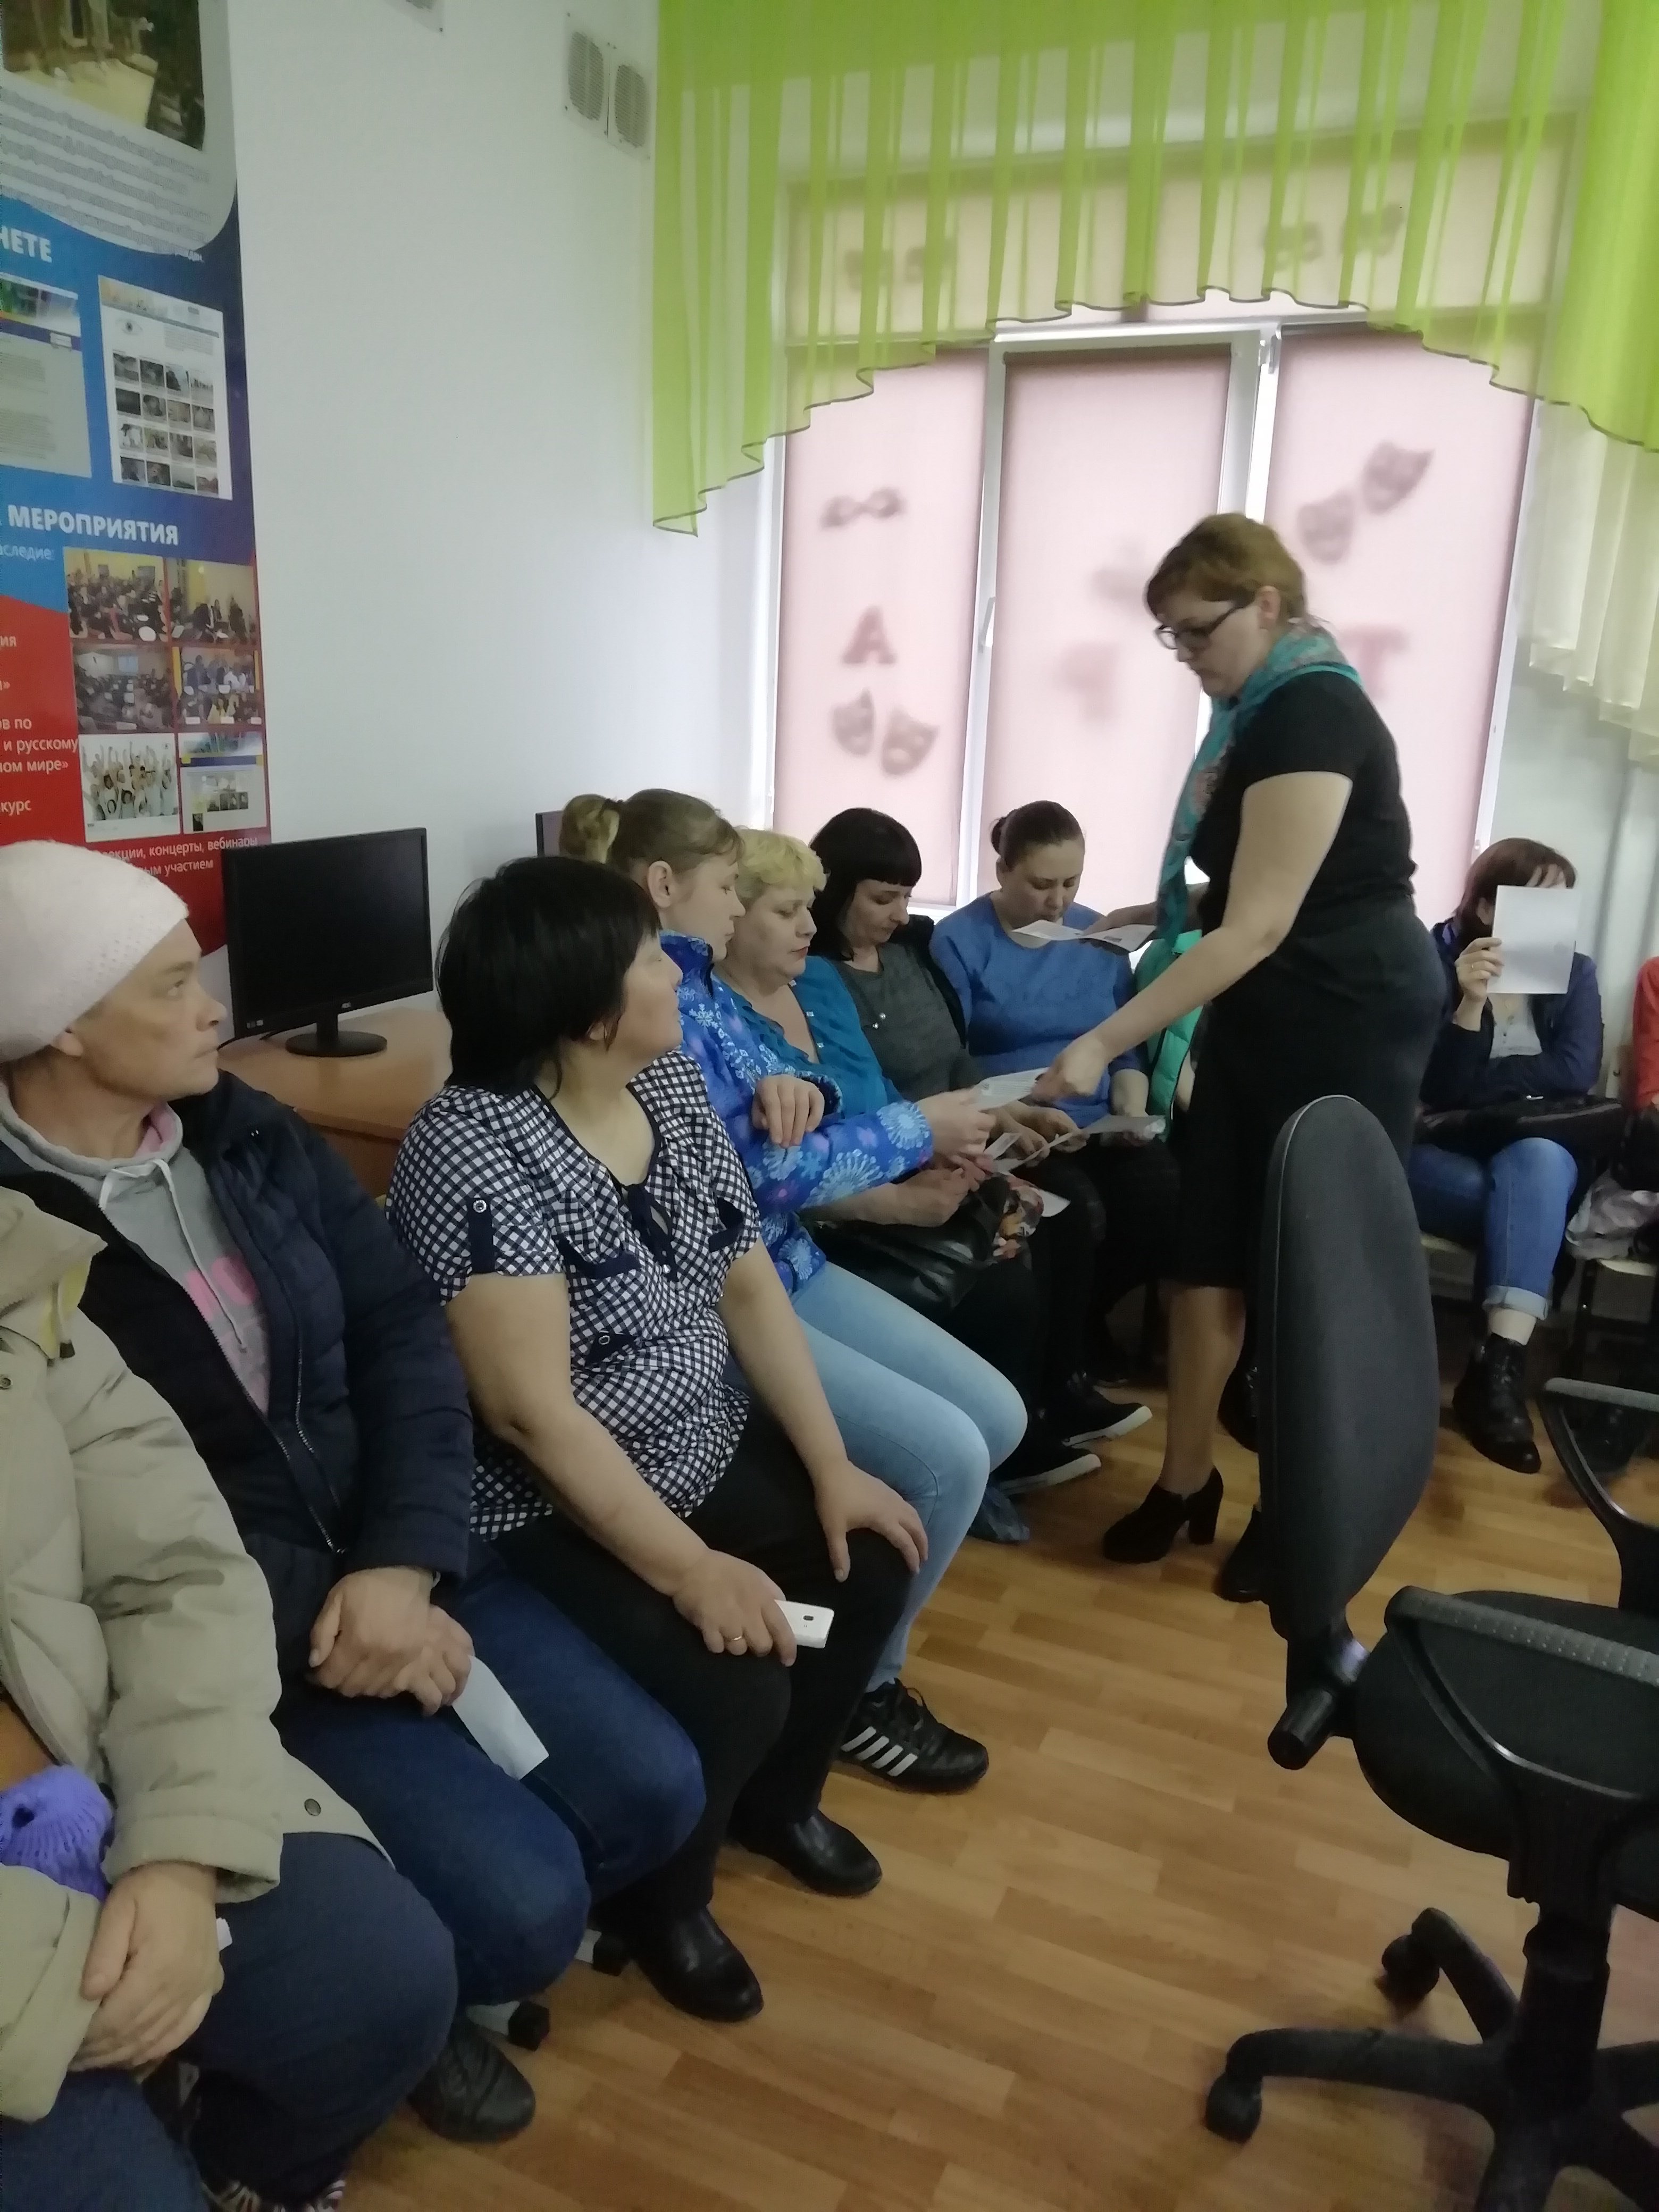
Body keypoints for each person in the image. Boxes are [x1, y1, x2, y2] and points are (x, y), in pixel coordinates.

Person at [0, 843, 707, 2125]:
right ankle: (412, 2003)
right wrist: (343, 1613)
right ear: (61, 1029)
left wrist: (405, 1559)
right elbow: (111, 1535)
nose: (214, 1007)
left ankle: (435, 1957)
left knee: (654, 1789)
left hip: (399, 1554)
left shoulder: (247, 1131)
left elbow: (401, 1335)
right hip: (251, 1642)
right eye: (172, 987)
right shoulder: (20, 1245)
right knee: (522, 1904)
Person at [388, 857, 923, 2025]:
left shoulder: (668, 1084)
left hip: (698, 1443)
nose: (677, 972)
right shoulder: (471, 1147)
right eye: (648, 958)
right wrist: (689, 1570)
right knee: (735, 1689)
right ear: (589, 1013)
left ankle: (776, 1807)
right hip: (549, 1505)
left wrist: (831, 1464)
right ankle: (663, 1904)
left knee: (870, 1561)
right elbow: (531, 1416)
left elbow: (747, 1282)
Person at [0, 1185, 456, 2212]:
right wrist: (41, 1983)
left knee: (384, 1981)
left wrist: (182, 1850)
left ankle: (239, 2171)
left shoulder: (19, 1268)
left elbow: (179, 1564)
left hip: (93, 1747)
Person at [1036, 514, 1445, 1601]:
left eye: (1195, 631)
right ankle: (1185, 1482)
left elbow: (1261, 923)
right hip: (1267, 1006)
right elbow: (1248, 895)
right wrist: (1149, 918)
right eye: (1168, 636)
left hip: (1347, 1012)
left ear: (1266, 603)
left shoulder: (1313, 709)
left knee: (1304, 1275)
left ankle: (1293, 1508)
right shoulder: (1255, 711)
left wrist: (1104, 1037)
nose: (1184, 655)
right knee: (1205, 1253)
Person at [591, 790, 1021, 1777]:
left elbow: (792, 1072)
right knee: (951, 1459)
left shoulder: (698, 984)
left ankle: (845, 1649)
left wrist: (804, 1087)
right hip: (727, 1294)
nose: (743, 907)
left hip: (786, 1263)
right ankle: (858, 1694)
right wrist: (920, 1129)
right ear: (665, 885)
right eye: (733, 888)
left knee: (997, 1418)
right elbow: (755, 1176)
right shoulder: (649, 1001)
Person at [806, 810, 1152, 1504]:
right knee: (1044, 1227)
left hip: (961, 1125)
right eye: (883, 898)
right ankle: (1016, 1428)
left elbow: (957, 1059)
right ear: (835, 891)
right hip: (911, 1146)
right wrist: (973, 1128)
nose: (902, 914)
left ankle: (1059, 1392)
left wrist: (1010, 1114)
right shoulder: (819, 979)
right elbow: (874, 1093)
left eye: (907, 896)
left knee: (1076, 1215)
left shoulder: (908, 954)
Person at [931, 799, 1183, 1364]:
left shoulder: (1100, 934)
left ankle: (1084, 1321)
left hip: (1099, 1122)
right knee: (1079, 1209)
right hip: (1016, 1126)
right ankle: (1064, 1352)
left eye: (1071, 882)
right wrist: (1018, 1113)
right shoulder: (959, 941)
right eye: (1042, 885)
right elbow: (952, 1057)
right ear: (1003, 871)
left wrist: (1130, 1112)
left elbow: (1124, 1045)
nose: (1059, 901)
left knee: (1164, 1198)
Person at [1411, 839, 1604, 1471]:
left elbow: (1574, 1074)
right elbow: (1440, 1089)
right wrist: (1469, 1004)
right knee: (1528, 1201)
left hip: (1533, 1159)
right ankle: (1491, 1384)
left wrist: (1488, 1092)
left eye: (1563, 903)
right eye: (1539, 900)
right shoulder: (1434, 962)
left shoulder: (1574, 973)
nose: (1556, 917)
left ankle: (1497, 1368)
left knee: (1539, 1160)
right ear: (1489, 907)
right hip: (1442, 1158)